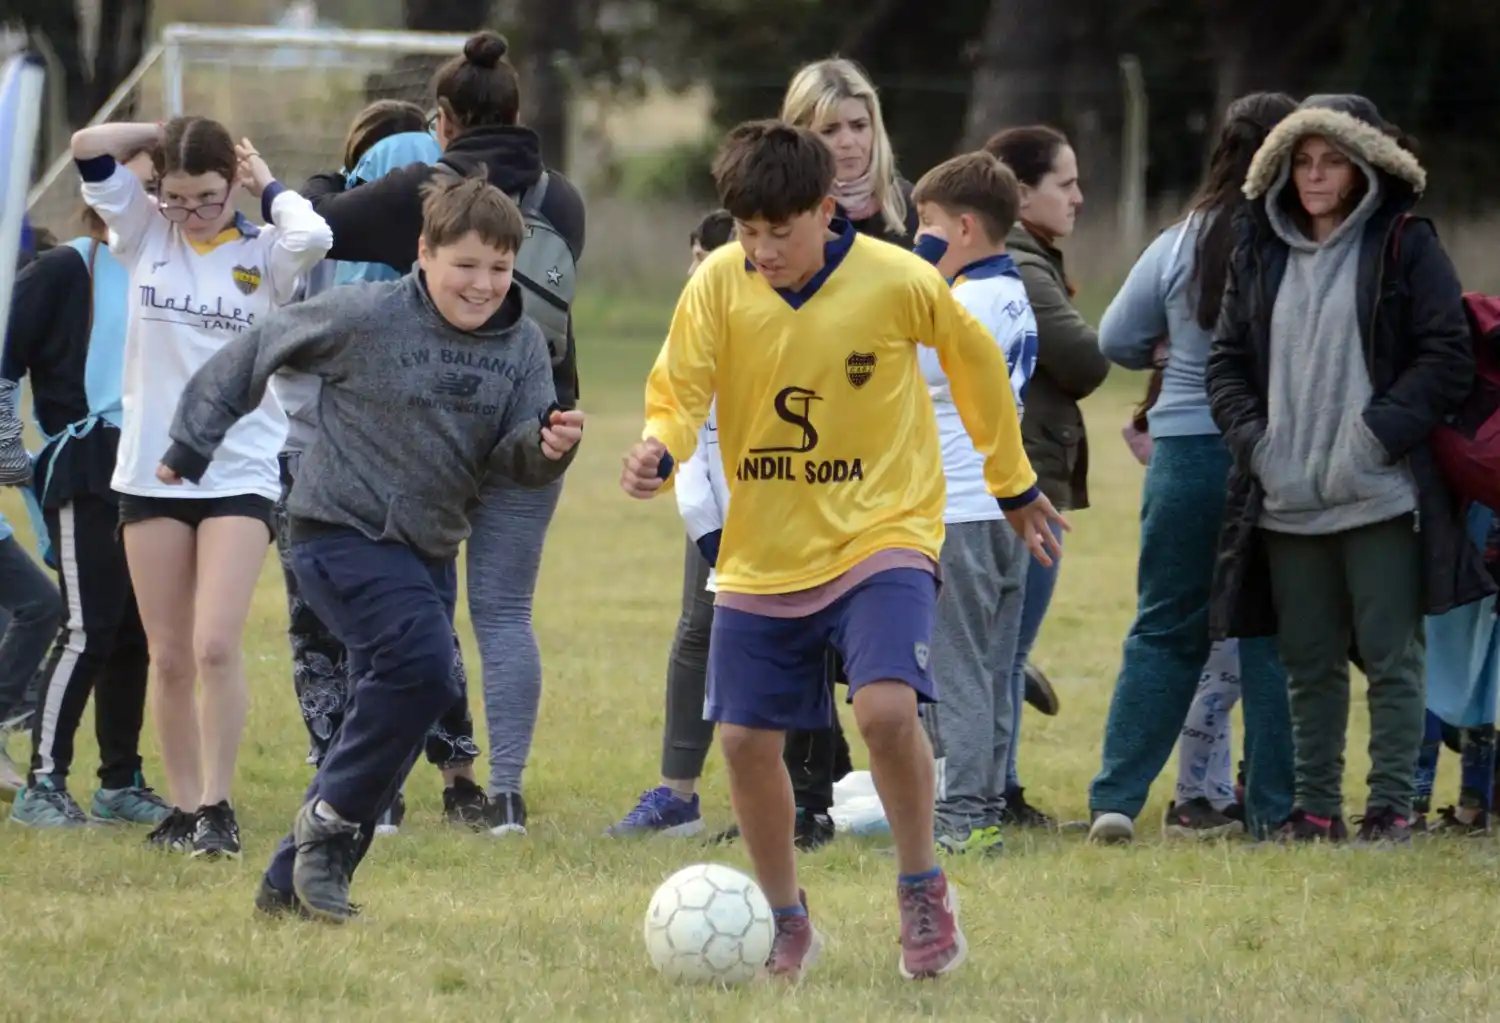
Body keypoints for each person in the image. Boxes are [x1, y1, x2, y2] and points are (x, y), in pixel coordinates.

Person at [620, 119, 1066, 980]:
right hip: (764, 545)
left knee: (887, 712)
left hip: (884, 529)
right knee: (746, 742)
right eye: (747, 232)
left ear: (826, 210)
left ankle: (922, 886)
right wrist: (659, 445)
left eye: (778, 232)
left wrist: (1011, 482)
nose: (761, 249)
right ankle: (788, 920)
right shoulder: (719, 282)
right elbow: (679, 384)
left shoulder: (898, 280)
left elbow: (974, 365)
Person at [156, 172, 582, 922]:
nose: (483, 284)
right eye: (467, 265)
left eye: (500, 267)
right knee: (422, 668)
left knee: (395, 703)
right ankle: (329, 829)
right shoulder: (366, 314)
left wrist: (547, 447)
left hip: (425, 550)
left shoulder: (521, 348)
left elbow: (511, 455)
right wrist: (192, 444)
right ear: (424, 252)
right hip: (335, 530)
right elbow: (258, 347)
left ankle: (291, 879)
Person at [296, 30, 587, 833]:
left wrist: (333, 176)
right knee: (503, 613)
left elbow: (317, 226)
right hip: (542, 416)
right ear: (518, 109)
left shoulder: (429, 190)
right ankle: (508, 796)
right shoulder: (564, 198)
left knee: (396, 609)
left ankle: (377, 795)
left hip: (439, 423)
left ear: (443, 122)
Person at [1207, 94, 1492, 844]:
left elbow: (1446, 356)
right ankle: (1316, 809)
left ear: (1365, 165)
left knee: (1395, 657)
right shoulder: (1256, 246)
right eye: (1301, 161)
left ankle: (1393, 807)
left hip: (1382, 493)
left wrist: (1373, 437)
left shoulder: (1405, 242)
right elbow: (1227, 364)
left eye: (1332, 160)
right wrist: (1259, 448)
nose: (1315, 175)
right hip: (1285, 497)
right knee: (1308, 661)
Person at [70, 115, 333, 857]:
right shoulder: (145, 231)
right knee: (170, 654)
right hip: (149, 473)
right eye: (175, 197)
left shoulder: (264, 251)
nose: (189, 214)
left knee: (216, 644)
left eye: (207, 198)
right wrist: (163, 130)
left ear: (233, 183)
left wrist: (267, 182)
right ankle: (182, 807)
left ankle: (219, 806)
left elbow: (315, 238)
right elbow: (87, 147)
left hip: (240, 470)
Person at [1087, 93, 1298, 844]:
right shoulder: (1297, 240)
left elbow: (1114, 335)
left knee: (1162, 628)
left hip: (1181, 451)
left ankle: (1115, 797)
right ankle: (1276, 808)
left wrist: (1167, 352)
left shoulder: (1180, 240)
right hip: (1271, 452)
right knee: (1275, 633)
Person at [275, 101, 484, 836]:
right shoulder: (443, 251)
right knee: (423, 620)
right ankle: (458, 778)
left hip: (312, 456)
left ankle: (354, 785)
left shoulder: (319, 235)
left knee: (323, 630)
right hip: (420, 460)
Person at [759, 56, 917, 851]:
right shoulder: (768, 222)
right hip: (795, 453)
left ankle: (929, 796)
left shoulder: (911, 222)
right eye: (831, 129)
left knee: (879, 646)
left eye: (860, 126)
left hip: (887, 466)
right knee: (795, 635)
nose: (850, 143)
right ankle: (805, 801)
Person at [2, 143, 170, 826]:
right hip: (86, 467)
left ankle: (119, 779)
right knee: (87, 626)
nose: (160, 197)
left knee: (134, 632)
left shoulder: (164, 268)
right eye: (149, 180)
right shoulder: (64, 269)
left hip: (152, 474)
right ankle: (44, 781)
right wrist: (14, 455)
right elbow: (5, 363)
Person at [906, 151, 1038, 854]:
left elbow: (897, 340)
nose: (918, 237)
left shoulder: (962, 302)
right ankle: (983, 806)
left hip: (959, 506)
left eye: (926, 225)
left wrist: (915, 271)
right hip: (1002, 505)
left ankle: (960, 815)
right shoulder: (1012, 291)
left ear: (961, 228)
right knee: (990, 668)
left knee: (956, 668)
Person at [981, 125, 1109, 828]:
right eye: (1066, 183)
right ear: (1020, 192)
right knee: (1006, 651)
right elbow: (1086, 361)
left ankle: (997, 787)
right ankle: (997, 795)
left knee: (1005, 649)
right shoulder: (1024, 269)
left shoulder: (1027, 259)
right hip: (1022, 489)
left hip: (1020, 480)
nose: (1079, 198)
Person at [606, 209, 734, 837]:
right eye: (692, 254)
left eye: (709, 256)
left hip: (795, 506)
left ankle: (812, 799)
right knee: (698, 632)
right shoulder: (695, 320)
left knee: (817, 639)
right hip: (712, 512)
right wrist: (656, 459)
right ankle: (677, 795)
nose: (695, 271)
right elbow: (679, 409)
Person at [1412, 503, 1500, 835]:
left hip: (1462, 542)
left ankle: (1413, 804)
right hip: (1489, 550)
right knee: (1484, 682)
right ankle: (1474, 807)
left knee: (1430, 673)